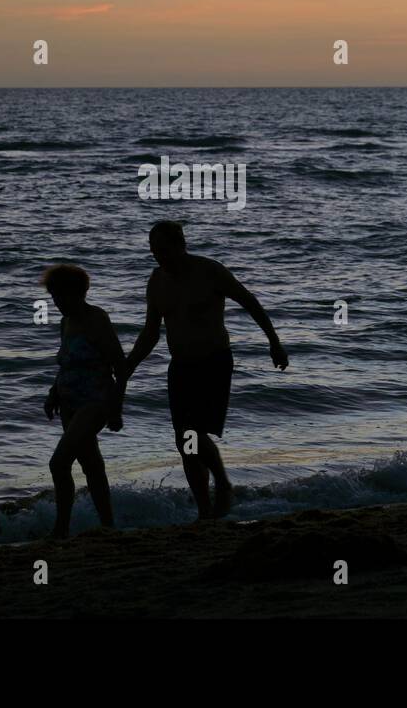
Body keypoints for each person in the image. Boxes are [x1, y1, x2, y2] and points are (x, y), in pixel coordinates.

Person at [125, 221, 288, 520]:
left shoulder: (209, 271)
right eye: (153, 251)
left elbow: (249, 302)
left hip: (214, 361)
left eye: (163, 250)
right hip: (181, 366)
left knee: (194, 433)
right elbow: (150, 333)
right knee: (183, 440)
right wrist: (129, 365)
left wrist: (274, 342)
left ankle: (223, 484)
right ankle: (205, 510)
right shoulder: (157, 280)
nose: (158, 256)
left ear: (180, 245)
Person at [41, 264, 126, 539]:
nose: (57, 303)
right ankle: (108, 525)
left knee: (59, 462)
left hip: (95, 400)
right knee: (91, 465)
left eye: (61, 296)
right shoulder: (66, 322)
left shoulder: (97, 319)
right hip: (68, 401)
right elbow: (65, 361)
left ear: (79, 293)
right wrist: (53, 393)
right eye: (53, 297)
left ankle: (61, 528)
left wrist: (116, 410)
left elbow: (119, 365)